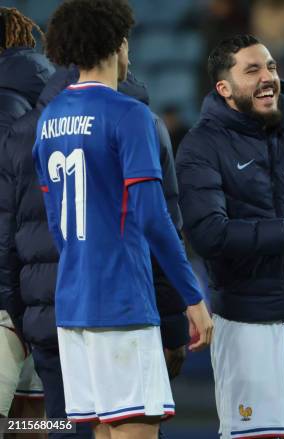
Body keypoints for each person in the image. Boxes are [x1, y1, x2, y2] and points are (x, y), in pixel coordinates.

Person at [32, 1, 213, 438]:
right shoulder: (129, 114)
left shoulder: (49, 118)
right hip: (122, 304)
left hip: (73, 305)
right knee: (133, 430)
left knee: (103, 431)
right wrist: (193, 298)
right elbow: (153, 217)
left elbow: (56, 223)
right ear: (119, 44)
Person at [176, 34, 284, 439]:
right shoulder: (201, 145)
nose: (268, 77)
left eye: (271, 66)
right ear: (224, 88)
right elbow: (209, 234)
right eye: (252, 70)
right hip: (243, 324)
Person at [0, 6, 52, 425]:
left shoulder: (2, 105)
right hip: (47, 286)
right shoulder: (55, 97)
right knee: (37, 416)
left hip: (6, 297)